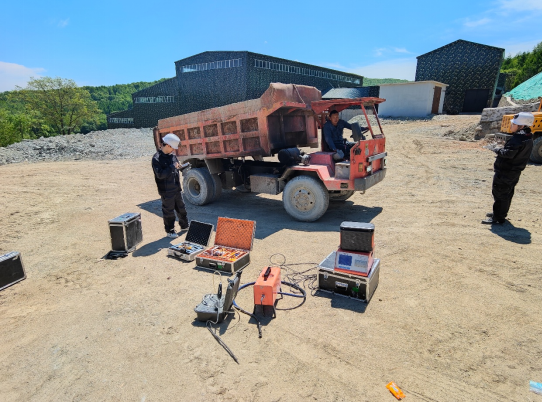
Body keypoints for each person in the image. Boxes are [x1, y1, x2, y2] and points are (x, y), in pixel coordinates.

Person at [482, 112, 534, 225]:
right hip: (513, 172)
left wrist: (496, 149)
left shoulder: (518, 139)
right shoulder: (527, 137)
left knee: (500, 193)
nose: (511, 125)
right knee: (507, 193)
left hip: (506, 171)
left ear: (521, 126)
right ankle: (499, 213)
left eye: (514, 124)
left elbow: (508, 154)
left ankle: (498, 218)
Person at [152, 133, 189, 238]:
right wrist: (172, 167)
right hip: (166, 191)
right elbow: (160, 175)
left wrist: (180, 167)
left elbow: (175, 168)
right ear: (168, 145)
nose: (173, 150)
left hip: (176, 188)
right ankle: (170, 230)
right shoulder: (156, 159)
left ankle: (184, 225)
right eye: (172, 148)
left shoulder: (172, 156)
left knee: (181, 208)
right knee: (169, 211)